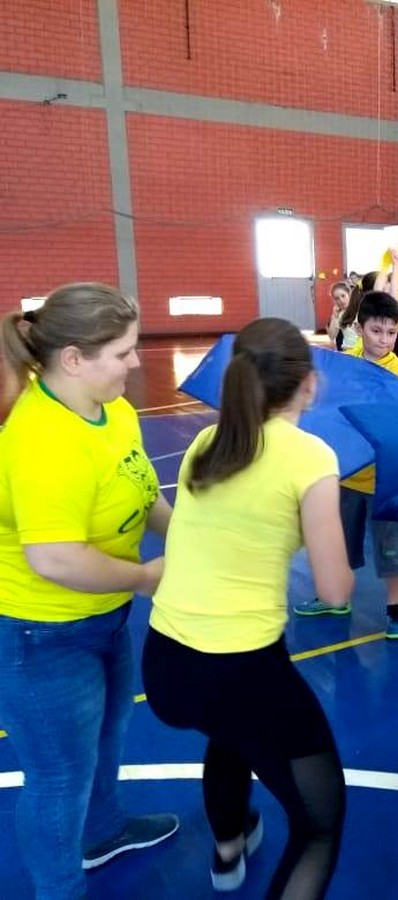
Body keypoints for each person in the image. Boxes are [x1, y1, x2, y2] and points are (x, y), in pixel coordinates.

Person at [142, 318, 353, 898]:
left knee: (230, 731)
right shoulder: (311, 457)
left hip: (165, 664)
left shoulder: (207, 443)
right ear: (309, 385)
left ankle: (229, 847)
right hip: (238, 668)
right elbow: (336, 591)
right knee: (320, 824)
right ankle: (234, 844)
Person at [0, 283, 178, 899]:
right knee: (58, 777)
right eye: (123, 352)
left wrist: (190, 537)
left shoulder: (113, 409)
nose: (137, 362)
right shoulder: (42, 437)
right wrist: (146, 577)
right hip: (39, 632)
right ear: (73, 359)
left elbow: (144, 492)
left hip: (103, 617)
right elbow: (54, 557)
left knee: (105, 739)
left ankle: (102, 833)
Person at [293, 291, 398, 638]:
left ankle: (395, 606)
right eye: (376, 331)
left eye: (391, 332)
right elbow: (327, 411)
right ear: (360, 329)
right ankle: (337, 597)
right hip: (346, 476)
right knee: (340, 542)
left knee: (389, 547)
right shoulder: (343, 366)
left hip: (385, 480)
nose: (384, 339)